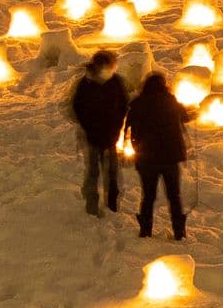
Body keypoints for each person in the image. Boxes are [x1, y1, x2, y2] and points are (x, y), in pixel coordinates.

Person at [126, 72, 191, 240]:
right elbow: (186, 117)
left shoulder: (138, 103)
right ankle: (179, 232)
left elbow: (129, 125)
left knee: (148, 196)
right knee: (174, 196)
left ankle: (145, 230)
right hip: (170, 158)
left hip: (146, 159)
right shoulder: (170, 101)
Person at [69, 50, 128, 217]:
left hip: (110, 136)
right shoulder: (86, 84)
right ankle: (92, 205)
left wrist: (117, 125)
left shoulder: (115, 81)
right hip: (93, 137)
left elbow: (123, 104)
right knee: (93, 172)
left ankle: (112, 205)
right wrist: (88, 126)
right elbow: (78, 107)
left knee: (112, 173)